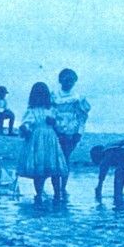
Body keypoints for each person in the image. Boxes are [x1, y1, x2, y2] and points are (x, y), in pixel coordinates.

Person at [17, 82, 69, 201]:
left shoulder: (52, 110)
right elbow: (27, 123)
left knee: (54, 170)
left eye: (42, 95)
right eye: (38, 95)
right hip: (37, 141)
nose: (40, 98)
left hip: (51, 141)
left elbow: (62, 126)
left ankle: (57, 193)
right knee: (39, 170)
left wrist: (54, 122)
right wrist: (25, 128)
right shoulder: (31, 111)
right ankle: (39, 194)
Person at [52, 68, 90, 196]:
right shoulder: (54, 95)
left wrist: (79, 133)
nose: (68, 83)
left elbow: (82, 117)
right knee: (56, 159)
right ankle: (56, 188)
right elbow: (50, 111)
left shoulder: (78, 97)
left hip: (71, 130)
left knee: (65, 157)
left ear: (74, 82)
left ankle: (63, 186)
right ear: (60, 80)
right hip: (56, 129)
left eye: (71, 81)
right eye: (65, 80)